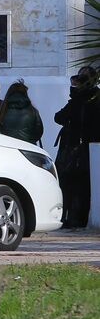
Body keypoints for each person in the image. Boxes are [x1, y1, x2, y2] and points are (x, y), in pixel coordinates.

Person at [54, 67, 100, 228]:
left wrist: (75, 94)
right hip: (84, 150)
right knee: (79, 185)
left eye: (81, 79)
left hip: (78, 150)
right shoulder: (85, 98)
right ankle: (75, 218)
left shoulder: (84, 100)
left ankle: (74, 218)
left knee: (74, 185)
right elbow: (59, 117)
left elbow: (62, 116)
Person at [0, 80, 43, 145]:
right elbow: (38, 132)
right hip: (28, 148)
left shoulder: (2, 110)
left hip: (7, 147)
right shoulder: (32, 111)